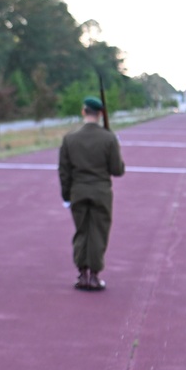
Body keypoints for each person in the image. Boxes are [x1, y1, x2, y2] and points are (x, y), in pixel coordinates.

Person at [58, 96, 125, 290]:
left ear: (83, 111)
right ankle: (95, 275)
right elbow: (117, 170)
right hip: (101, 192)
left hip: (78, 191)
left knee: (82, 232)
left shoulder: (70, 138)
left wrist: (65, 195)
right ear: (101, 114)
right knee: (98, 232)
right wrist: (116, 148)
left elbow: (64, 171)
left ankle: (82, 274)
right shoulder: (108, 138)